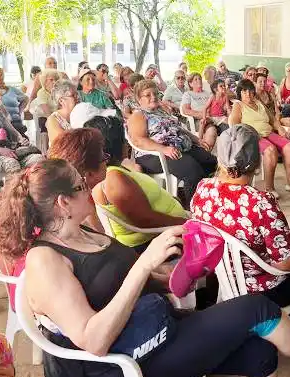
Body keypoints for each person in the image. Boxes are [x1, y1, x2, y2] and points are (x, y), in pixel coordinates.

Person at [0, 157, 290, 377]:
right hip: (122, 366)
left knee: (261, 351)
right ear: (61, 203)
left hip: (153, 331)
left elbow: (127, 282)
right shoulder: (45, 261)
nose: (89, 185)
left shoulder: (82, 232)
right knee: (256, 309)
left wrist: (182, 271)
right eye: (79, 185)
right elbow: (93, 340)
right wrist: (144, 263)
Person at [192, 124, 290, 349]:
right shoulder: (260, 203)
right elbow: (286, 262)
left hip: (226, 278)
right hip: (263, 292)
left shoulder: (203, 189)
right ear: (257, 162)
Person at [49, 128, 187, 253]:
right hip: (157, 240)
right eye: (103, 157)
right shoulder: (111, 182)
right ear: (89, 174)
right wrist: (189, 224)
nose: (106, 160)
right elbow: (146, 220)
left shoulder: (84, 199)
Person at [128, 79, 217, 207]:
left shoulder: (161, 111)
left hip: (179, 148)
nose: (153, 97)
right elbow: (139, 140)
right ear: (139, 99)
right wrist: (163, 149)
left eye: (155, 93)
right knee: (192, 171)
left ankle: (204, 198)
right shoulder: (138, 115)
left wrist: (197, 139)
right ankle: (191, 209)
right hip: (153, 155)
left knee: (212, 162)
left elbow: (178, 128)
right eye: (148, 95)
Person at [229, 79, 290, 198]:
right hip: (252, 136)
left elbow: (272, 119)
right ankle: (269, 188)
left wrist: (280, 129)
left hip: (268, 132)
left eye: (250, 91)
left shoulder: (259, 103)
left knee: (289, 145)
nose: (248, 94)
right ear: (240, 93)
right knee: (270, 150)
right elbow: (233, 123)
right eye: (244, 92)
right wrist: (248, 133)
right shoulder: (238, 105)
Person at [0, 67, 29, 137]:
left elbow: (25, 99)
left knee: (23, 141)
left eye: (1, 74)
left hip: (15, 122)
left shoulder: (12, 89)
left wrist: (20, 111)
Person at [201, 79, 231, 152]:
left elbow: (227, 108)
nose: (224, 87)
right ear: (215, 89)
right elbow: (205, 108)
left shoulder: (225, 96)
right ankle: (200, 139)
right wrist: (204, 117)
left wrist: (230, 116)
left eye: (224, 85)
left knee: (231, 123)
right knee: (202, 122)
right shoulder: (212, 97)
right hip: (212, 117)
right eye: (221, 86)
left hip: (221, 117)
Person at [180, 72, 213, 139]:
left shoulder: (208, 93)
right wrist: (202, 114)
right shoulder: (188, 94)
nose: (199, 80)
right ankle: (203, 145)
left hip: (211, 117)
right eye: (196, 79)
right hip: (195, 121)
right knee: (211, 127)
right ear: (190, 84)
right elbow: (185, 110)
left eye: (200, 79)